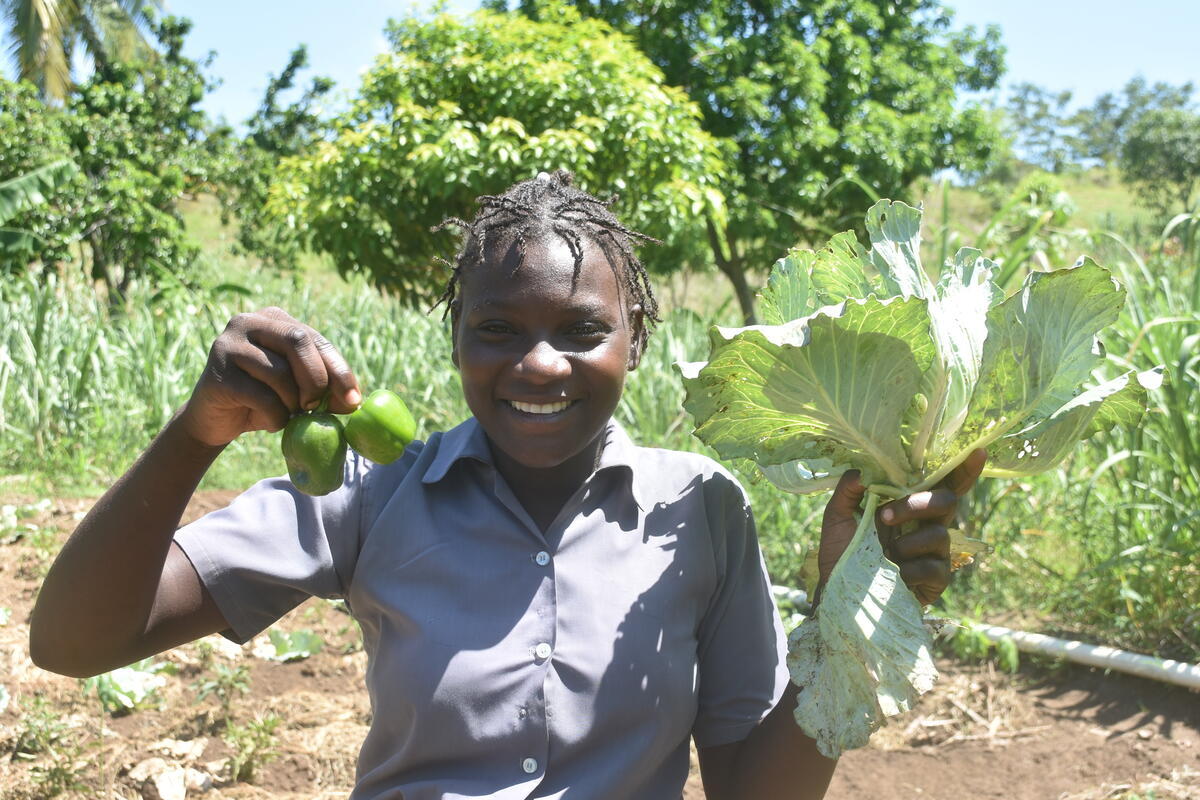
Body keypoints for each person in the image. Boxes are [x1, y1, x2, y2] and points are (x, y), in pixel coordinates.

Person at [30, 171, 984, 799]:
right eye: (497, 329)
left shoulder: (701, 508)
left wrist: (846, 622)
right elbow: (74, 641)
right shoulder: (370, 491)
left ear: (635, 342)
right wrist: (195, 436)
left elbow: (749, 788)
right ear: (455, 338)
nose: (538, 364)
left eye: (580, 331)